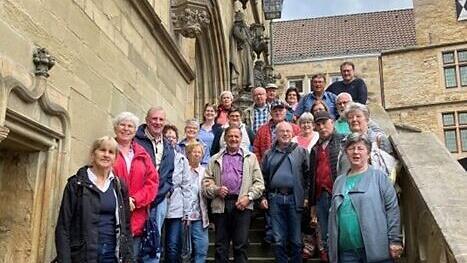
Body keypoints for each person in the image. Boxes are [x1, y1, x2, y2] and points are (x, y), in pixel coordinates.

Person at [55, 136, 133, 263]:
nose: (106, 155)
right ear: (93, 153)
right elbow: (63, 227)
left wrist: (129, 258)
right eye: (102, 150)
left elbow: (127, 227)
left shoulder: (119, 186)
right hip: (83, 256)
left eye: (111, 152)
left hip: (111, 256)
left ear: (115, 158)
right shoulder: (76, 184)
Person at [328, 133, 403, 262]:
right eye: (351, 148)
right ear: (346, 153)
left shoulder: (379, 177)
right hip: (346, 253)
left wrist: (395, 239)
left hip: (376, 250)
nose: (355, 152)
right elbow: (332, 214)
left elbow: (392, 209)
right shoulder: (339, 181)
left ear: (368, 153)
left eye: (360, 148)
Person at [202, 126, 265, 263]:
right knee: (220, 246)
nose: (233, 139)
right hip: (221, 205)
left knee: (241, 245)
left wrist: (248, 198)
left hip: (242, 204)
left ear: (241, 139)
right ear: (225, 138)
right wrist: (216, 189)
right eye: (230, 136)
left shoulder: (251, 158)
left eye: (236, 136)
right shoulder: (215, 159)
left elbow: (259, 184)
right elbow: (206, 182)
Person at [260, 121, 309, 263]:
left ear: (293, 133)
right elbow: (263, 176)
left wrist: (306, 196)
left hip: (294, 198)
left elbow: (307, 176)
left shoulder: (301, 151)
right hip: (275, 198)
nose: (285, 134)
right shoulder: (269, 154)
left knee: (296, 238)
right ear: (276, 133)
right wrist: (263, 196)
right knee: (278, 237)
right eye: (282, 131)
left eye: (288, 131)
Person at [112, 112, 159, 258]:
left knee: (131, 257)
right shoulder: (107, 149)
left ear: (135, 130)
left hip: (136, 218)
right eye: (122, 125)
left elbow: (152, 182)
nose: (126, 129)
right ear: (115, 128)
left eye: (130, 126)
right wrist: (122, 201)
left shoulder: (142, 153)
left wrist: (135, 200)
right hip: (111, 216)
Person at [134, 106, 175, 263]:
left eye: (161, 119)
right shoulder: (136, 140)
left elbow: (169, 175)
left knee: (154, 243)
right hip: (138, 199)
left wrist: (163, 192)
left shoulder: (169, 147)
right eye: (154, 119)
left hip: (159, 200)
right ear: (147, 120)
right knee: (135, 240)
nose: (157, 122)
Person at [309, 111, 345, 262]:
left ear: (332, 122)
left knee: (342, 233)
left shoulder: (343, 141)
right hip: (320, 196)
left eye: (325, 123)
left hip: (339, 194)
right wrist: (312, 203)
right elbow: (312, 177)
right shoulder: (315, 148)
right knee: (325, 235)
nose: (322, 127)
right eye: (318, 124)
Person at [162, 124, 191, 263]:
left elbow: (186, 186)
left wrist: (187, 211)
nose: (171, 140)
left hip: (176, 207)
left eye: (174, 137)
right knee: (157, 245)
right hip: (159, 204)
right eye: (168, 137)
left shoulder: (182, 159)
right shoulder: (157, 155)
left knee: (173, 245)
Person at [183, 142, 210, 263]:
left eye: (199, 152)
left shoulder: (205, 172)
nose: (197, 154)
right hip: (183, 217)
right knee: (185, 252)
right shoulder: (182, 170)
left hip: (200, 216)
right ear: (188, 154)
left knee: (201, 249)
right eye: (194, 152)